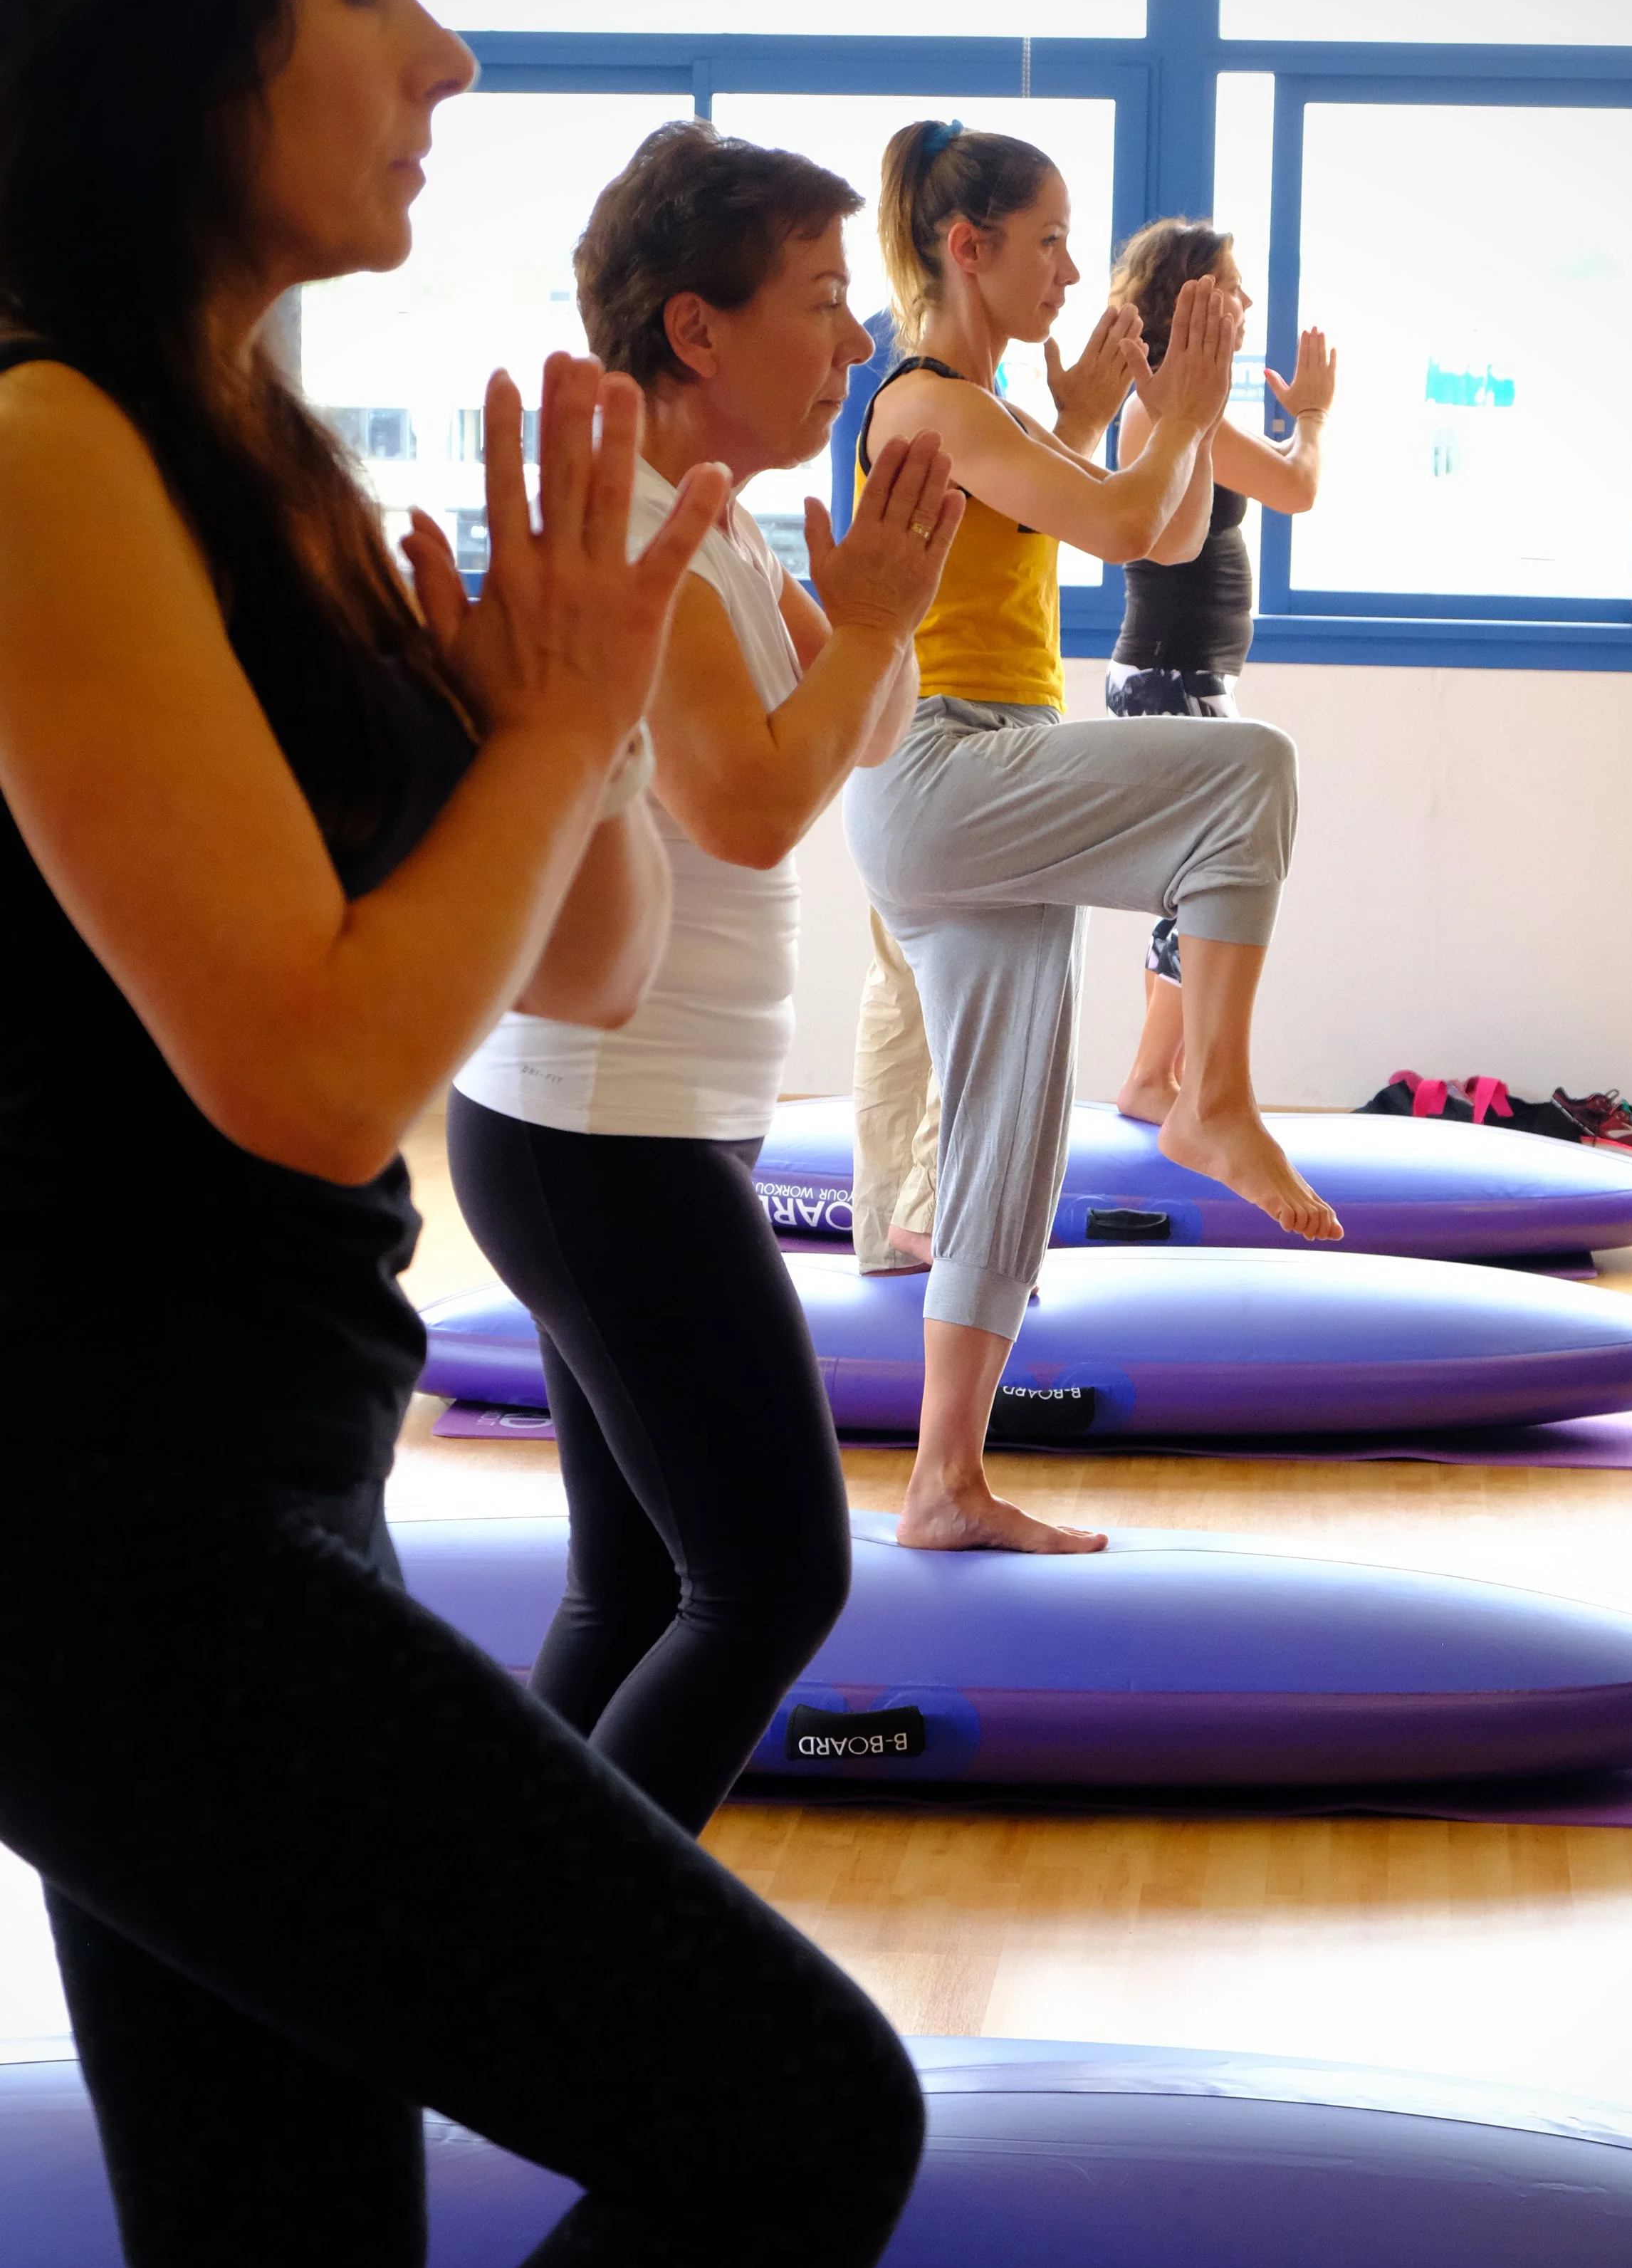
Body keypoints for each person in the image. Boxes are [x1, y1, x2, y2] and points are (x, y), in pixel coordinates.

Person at [0, 0, 923, 2268]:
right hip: (96, 1524)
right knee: (795, 2126)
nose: (451, 49)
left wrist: (558, 675)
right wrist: (540, 718)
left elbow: (582, 948)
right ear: (168, 40)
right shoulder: (35, 436)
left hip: (249, 1480)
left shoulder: (247, 442)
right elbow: (295, 1062)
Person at [444, 118, 962, 1834]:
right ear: (695, 329)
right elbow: (747, 809)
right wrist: (874, 626)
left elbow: (854, 746)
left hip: (630, 1121)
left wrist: (877, 613)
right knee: (766, 1582)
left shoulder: (717, 520)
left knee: (639, 1586)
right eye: (819, 301)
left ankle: (495, 1944)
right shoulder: (643, 531)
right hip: (604, 1130)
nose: (852, 343)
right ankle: (584, 1976)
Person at [842, 119, 1341, 1559]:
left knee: (1006, 1152)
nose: (1073, 267)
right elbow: (1129, 521)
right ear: (966, 246)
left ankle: (943, 1482)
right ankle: (1210, 1100)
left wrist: (1124, 408)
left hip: (968, 781)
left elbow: (1148, 529)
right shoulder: (932, 400)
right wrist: (1172, 409)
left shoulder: (981, 404)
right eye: (1048, 240)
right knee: (1247, 770)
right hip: (944, 761)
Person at [1104, 216, 1336, 1122]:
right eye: (1229, 283)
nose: (1246, 301)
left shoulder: (1180, 406)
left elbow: (1279, 479)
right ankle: (1155, 1080)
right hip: (1170, 675)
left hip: (1178, 674)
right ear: (1186, 298)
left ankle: (1161, 1077)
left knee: (1200, 879)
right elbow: (1297, 485)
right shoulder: (1167, 408)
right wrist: (1311, 415)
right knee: (1207, 880)